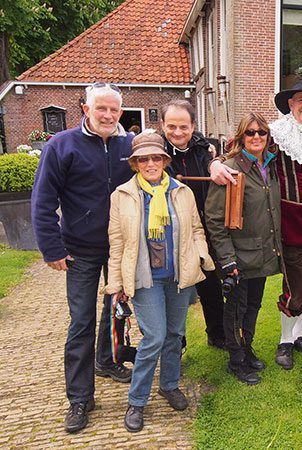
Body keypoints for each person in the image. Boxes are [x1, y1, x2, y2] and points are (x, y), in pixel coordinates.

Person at [210, 77, 302, 370]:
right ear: (290, 105)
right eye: (301, 100)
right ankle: (284, 340)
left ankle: (299, 335)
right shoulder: (276, 133)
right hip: (292, 223)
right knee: (296, 286)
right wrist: (214, 164)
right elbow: (236, 149)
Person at [31, 82, 134, 433]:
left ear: (120, 112)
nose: (107, 115)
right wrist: (51, 248)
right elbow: (43, 200)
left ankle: (107, 361)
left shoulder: (128, 146)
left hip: (120, 248)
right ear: (85, 108)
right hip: (80, 250)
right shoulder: (61, 146)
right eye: (100, 108)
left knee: (115, 311)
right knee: (81, 322)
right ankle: (79, 398)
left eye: (114, 110)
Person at [103, 131, 214, 432]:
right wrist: (115, 286)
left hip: (178, 277)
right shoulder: (122, 195)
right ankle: (136, 401)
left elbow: (196, 229)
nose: (150, 163)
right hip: (144, 279)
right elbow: (116, 244)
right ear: (135, 163)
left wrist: (200, 255)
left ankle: (169, 385)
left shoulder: (182, 191)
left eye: (156, 157)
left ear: (164, 160)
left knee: (175, 334)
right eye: (144, 158)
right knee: (154, 337)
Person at [205, 113, 283, 385]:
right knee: (236, 308)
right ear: (241, 137)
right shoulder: (229, 168)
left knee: (253, 305)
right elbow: (214, 219)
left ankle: (246, 348)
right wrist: (227, 260)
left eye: (261, 132)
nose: (256, 137)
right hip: (238, 256)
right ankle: (236, 360)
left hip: (262, 253)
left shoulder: (270, 165)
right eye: (250, 133)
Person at [161, 100, 226, 350]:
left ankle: (217, 334)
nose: (178, 132)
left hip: (203, 230)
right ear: (163, 125)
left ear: (193, 126)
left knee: (210, 285)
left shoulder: (203, 148)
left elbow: (215, 156)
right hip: (170, 232)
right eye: (172, 126)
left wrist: (215, 161)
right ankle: (176, 342)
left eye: (184, 127)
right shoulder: (157, 151)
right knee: (174, 291)